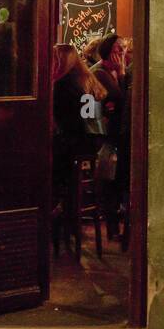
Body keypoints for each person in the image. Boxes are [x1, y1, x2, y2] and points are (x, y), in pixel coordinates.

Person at [52, 44, 108, 250]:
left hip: (73, 145)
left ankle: (58, 209)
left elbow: (62, 122)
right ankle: (68, 208)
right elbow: (91, 117)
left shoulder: (63, 84)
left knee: (47, 161)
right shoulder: (86, 79)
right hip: (91, 144)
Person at [92, 33, 128, 240]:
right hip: (105, 136)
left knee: (117, 179)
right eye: (118, 49)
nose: (122, 52)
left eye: (123, 48)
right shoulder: (101, 72)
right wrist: (122, 72)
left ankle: (117, 223)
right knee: (110, 179)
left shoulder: (113, 71)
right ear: (107, 50)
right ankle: (112, 226)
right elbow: (121, 100)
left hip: (116, 133)